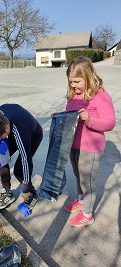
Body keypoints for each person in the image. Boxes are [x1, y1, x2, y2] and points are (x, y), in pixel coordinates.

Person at [64, 56, 115, 227]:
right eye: (71, 81)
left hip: (91, 148)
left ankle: (87, 214)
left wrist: (90, 119)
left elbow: (110, 122)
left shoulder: (101, 96)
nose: (73, 86)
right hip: (74, 145)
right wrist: (60, 119)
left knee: (87, 182)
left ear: (88, 76)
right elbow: (70, 115)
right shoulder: (73, 95)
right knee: (78, 176)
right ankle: (80, 200)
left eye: (77, 81)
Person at [0, 104, 43, 210]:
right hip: (12, 131)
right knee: (1, 156)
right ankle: (7, 192)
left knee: (19, 170)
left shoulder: (19, 128)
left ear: (6, 128)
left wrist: (25, 189)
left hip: (33, 135)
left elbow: (26, 159)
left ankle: (31, 193)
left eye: (0, 137)